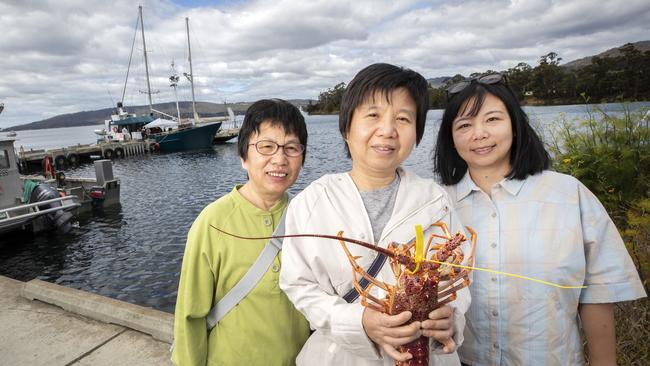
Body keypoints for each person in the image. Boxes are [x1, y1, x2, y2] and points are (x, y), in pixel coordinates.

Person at [433, 73, 647, 366]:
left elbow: (598, 292)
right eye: (464, 125)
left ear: (515, 125)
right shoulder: (436, 205)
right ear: (450, 137)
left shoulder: (568, 194)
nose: (479, 133)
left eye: (492, 119)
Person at [280, 63, 471, 366]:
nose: (388, 130)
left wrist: (451, 320)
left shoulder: (435, 200)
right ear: (346, 127)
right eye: (373, 115)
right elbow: (298, 285)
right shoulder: (312, 201)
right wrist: (359, 322)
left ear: (417, 133)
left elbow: (460, 280)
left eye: (403, 118)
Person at [172, 99, 311, 365]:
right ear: (243, 157)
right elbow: (189, 317)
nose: (280, 158)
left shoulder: (308, 216)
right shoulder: (212, 222)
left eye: (291, 148)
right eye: (266, 147)